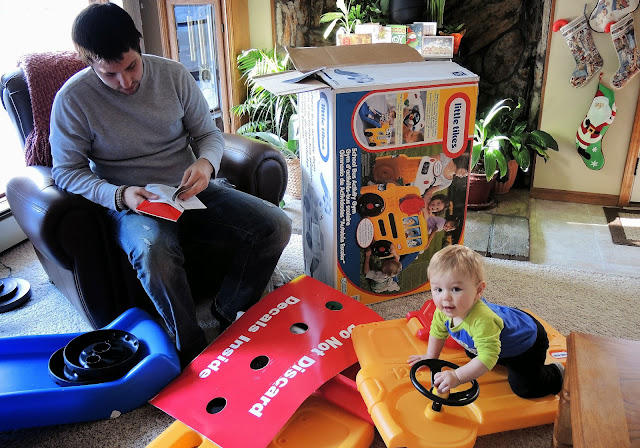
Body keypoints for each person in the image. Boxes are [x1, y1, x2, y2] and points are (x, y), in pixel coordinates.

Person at [49, 3, 292, 367]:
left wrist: (206, 163)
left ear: (139, 45)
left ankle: (231, 312)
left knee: (277, 225)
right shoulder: (73, 99)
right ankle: (191, 346)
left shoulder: (174, 74)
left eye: (131, 66)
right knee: (155, 253)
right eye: (110, 74)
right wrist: (118, 195)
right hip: (133, 202)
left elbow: (208, 133)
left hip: (189, 188)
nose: (125, 82)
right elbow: (66, 171)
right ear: (89, 63)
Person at [407, 245, 563, 398]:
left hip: (526, 343)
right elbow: (437, 331)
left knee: (525, 388)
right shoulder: (444, 310)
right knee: (472, 351)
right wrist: (430, 355)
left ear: (478, 290)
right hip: (503, 331)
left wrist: (458, 376)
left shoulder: (483, 321)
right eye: (438, 289)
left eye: (455, 289)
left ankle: (555, 372)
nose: (445, 298)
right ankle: (499, 353)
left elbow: (487, 357)